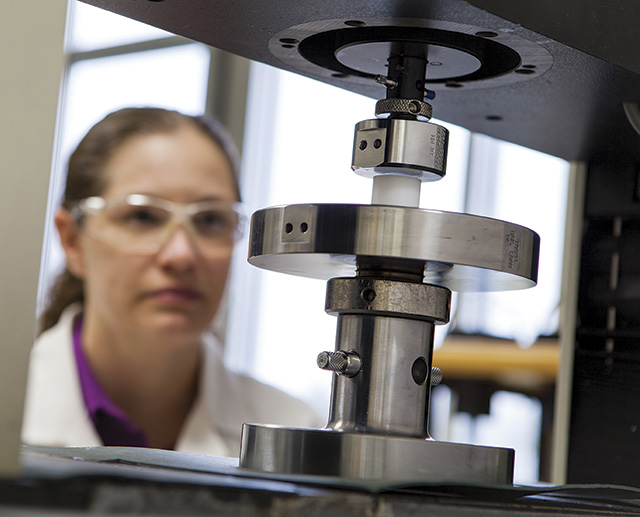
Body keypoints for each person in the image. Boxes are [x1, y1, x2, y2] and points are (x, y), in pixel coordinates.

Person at [22, 107, 320, 456]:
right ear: (72, 240)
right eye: (142, 216)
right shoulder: (14, 406)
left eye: (210, 220)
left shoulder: (296, 434)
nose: (181, 255)